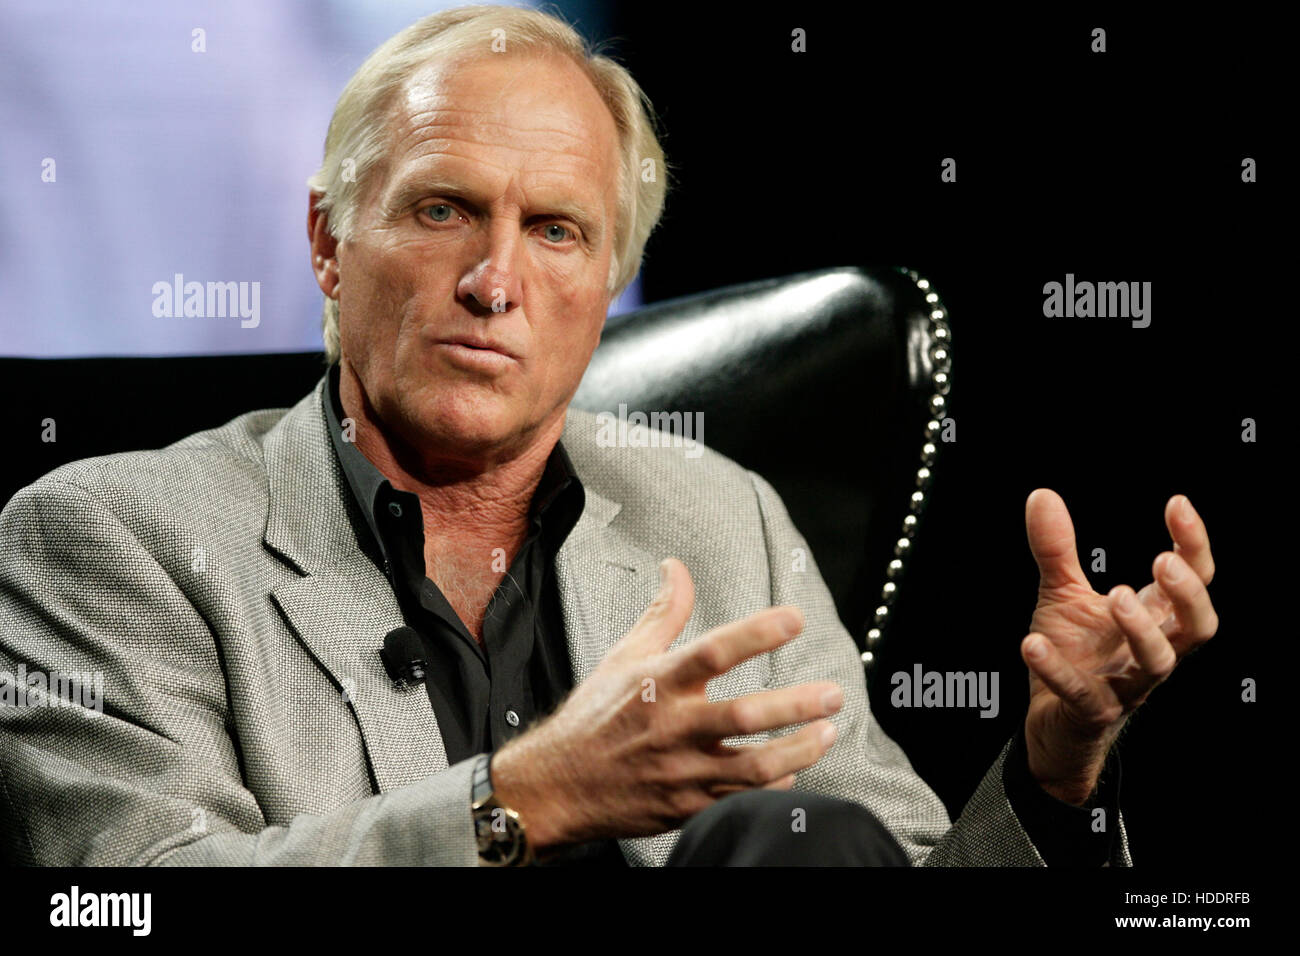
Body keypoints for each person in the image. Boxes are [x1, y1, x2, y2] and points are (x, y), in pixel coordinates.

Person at [0, 5, 1218, 866]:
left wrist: (1055, 770)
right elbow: (121, 899)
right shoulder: (110, 536)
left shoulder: (720, 513)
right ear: (327, 240)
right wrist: (522, 798)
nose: (493, 278)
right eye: (443, 209)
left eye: (557, 231)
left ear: (610, 283)